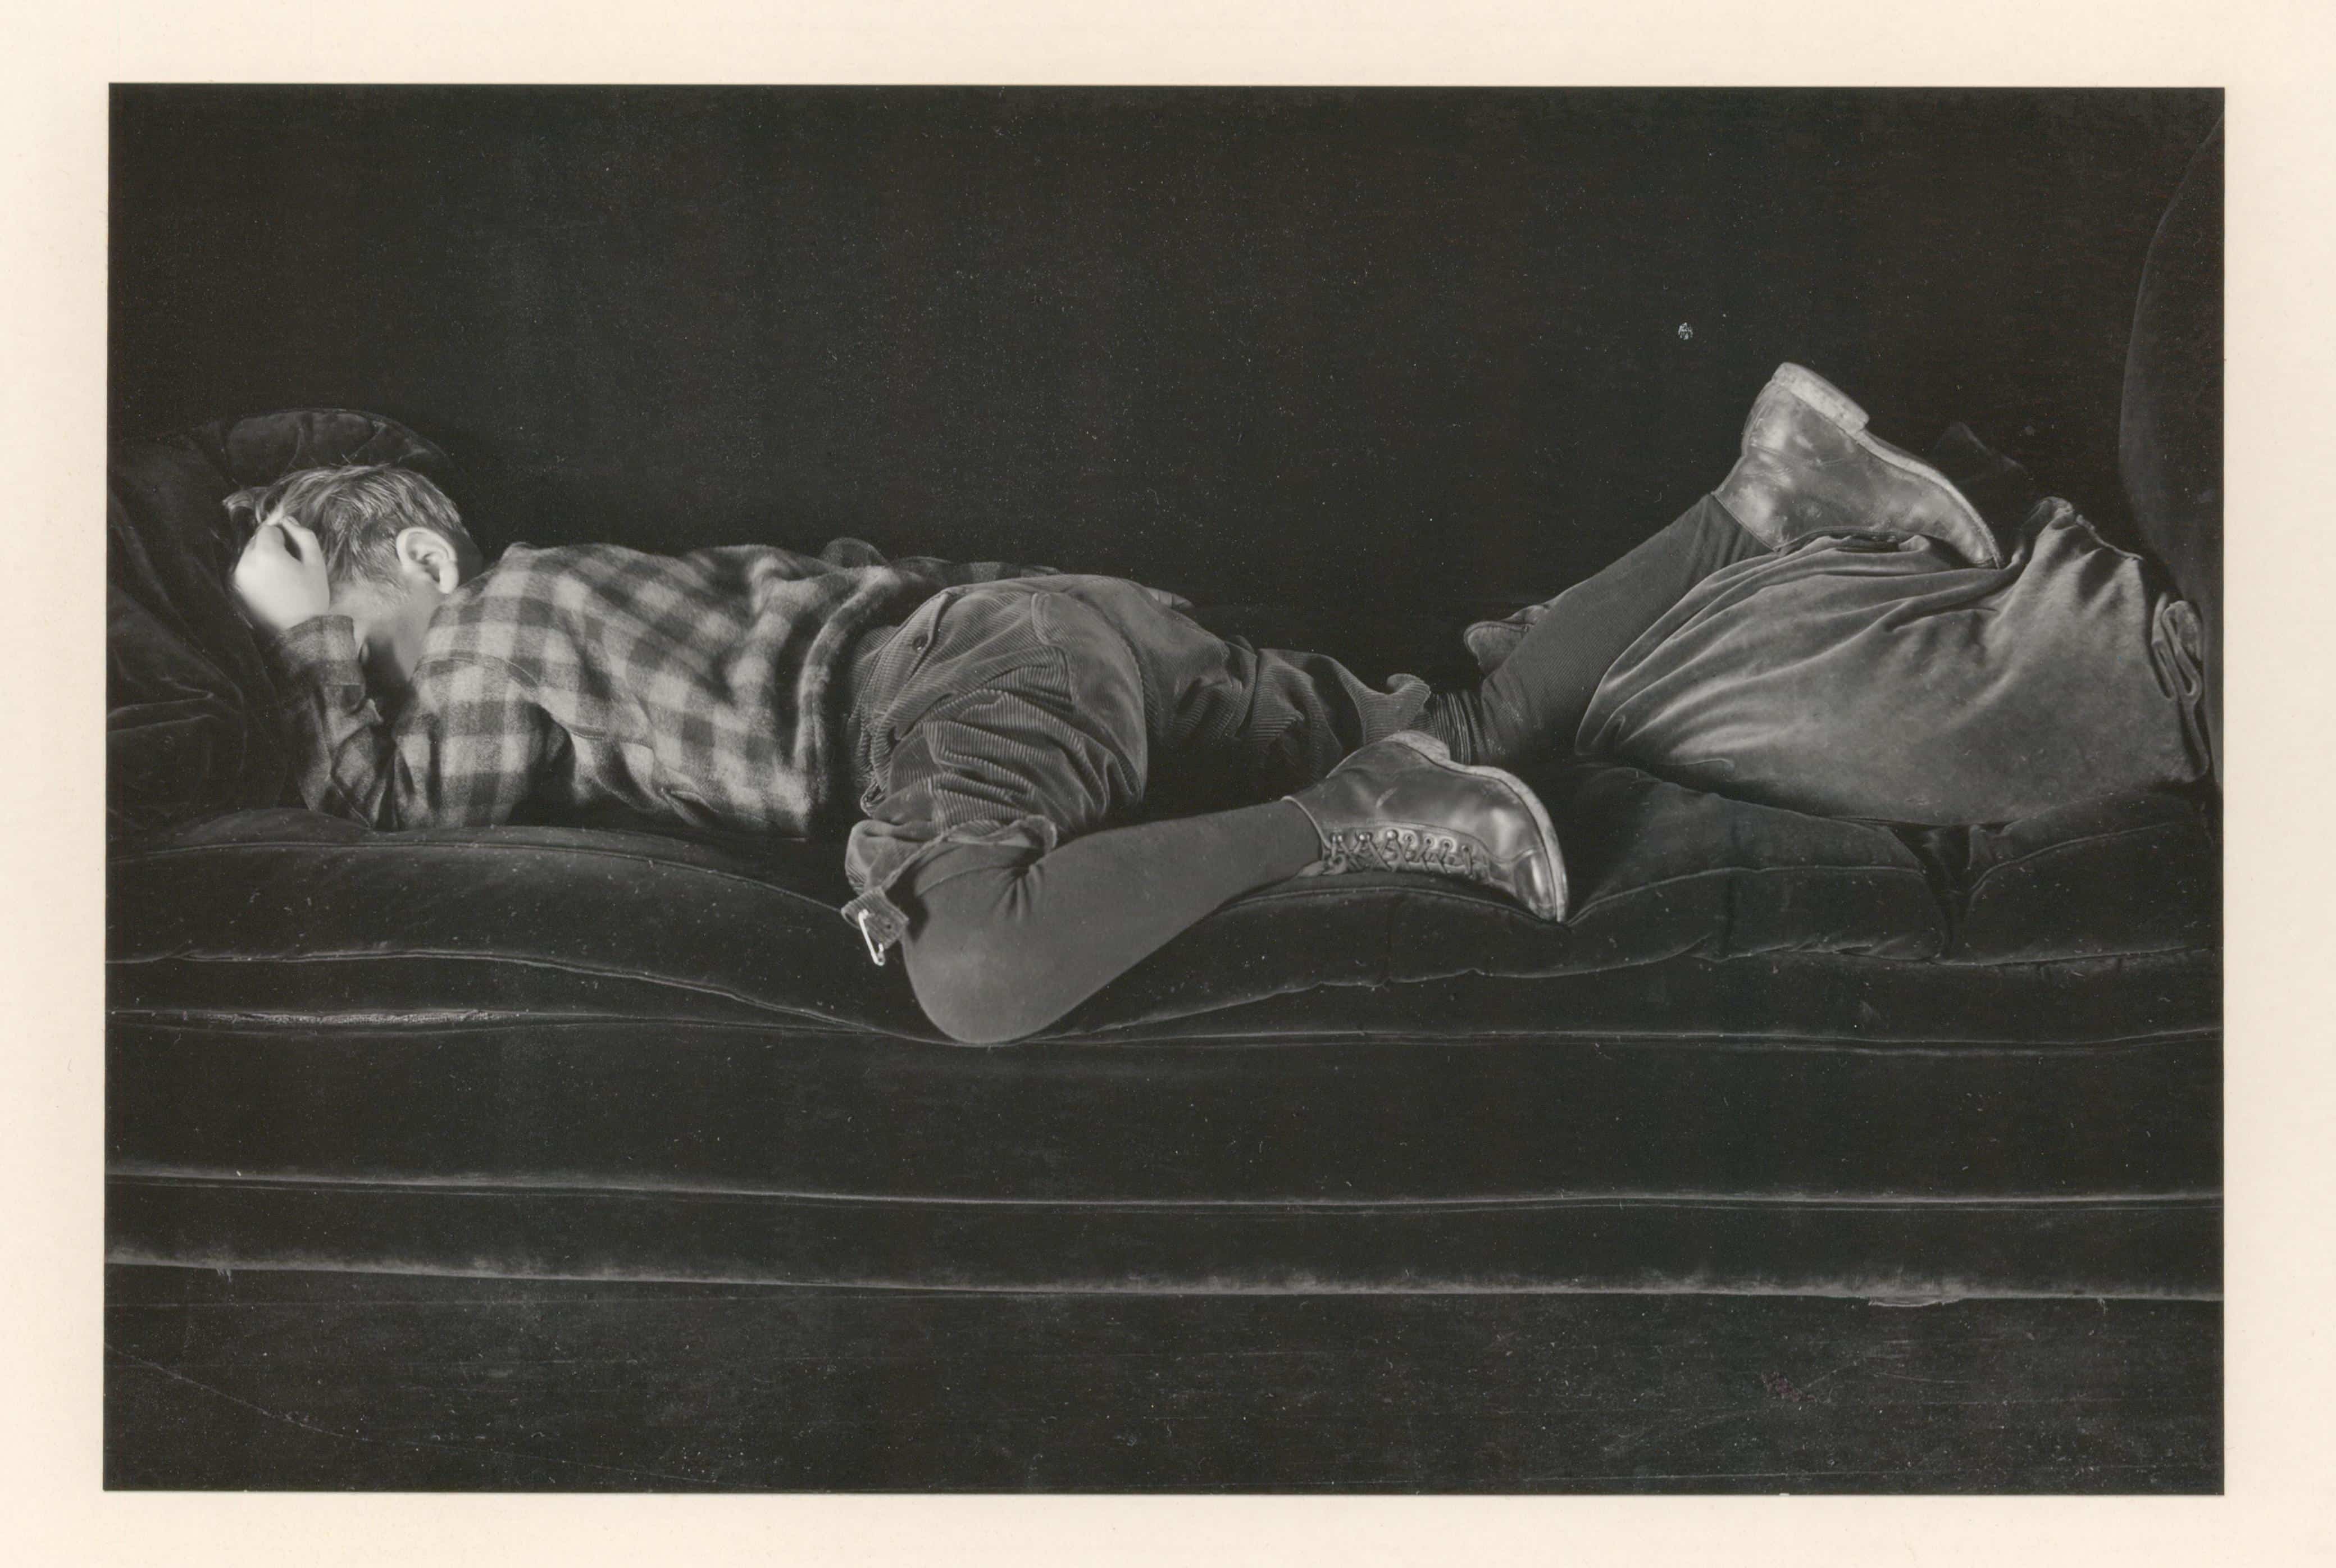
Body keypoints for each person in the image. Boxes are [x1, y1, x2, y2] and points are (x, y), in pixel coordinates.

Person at [233, 364, 2158, 1046]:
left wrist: (313, 642)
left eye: (348, 615)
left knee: (966, 965)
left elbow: (403, 803)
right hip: (1059, 637)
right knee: (1479, 717)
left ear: (420, 564)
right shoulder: (598, 597)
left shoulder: (495, 620)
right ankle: (1761, 499)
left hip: (954, 690)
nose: (353, 668)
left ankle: (1356, 823)